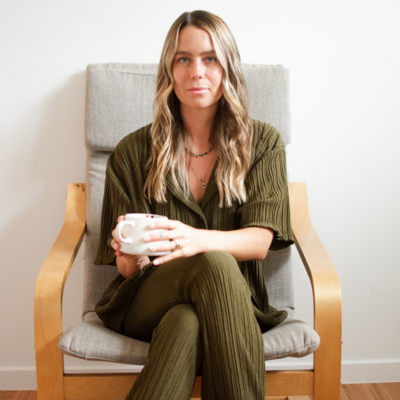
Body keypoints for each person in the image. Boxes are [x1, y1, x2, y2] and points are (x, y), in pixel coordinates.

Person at [94, 10, 294, 400]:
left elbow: (258, 242)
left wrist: (196, 239)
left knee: (185, 322)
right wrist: (130, 253)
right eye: (183, 59)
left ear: (228, 69)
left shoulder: (263, 143)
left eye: (210, 58)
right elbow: (126, 267)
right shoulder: (132, 152)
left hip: (236, 303)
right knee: (213, 262)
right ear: (170, 70)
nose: (196, 71)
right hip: (147, 299)